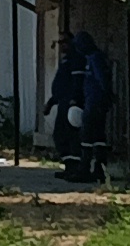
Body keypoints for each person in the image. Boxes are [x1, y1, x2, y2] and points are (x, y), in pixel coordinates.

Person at [48, 30, 112, 183]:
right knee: (93, 136)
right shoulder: (88, 58)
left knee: (87, 136)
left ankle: (86, 168)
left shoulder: (92, 58)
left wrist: (104, 97)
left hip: (93, 102)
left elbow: (101, 81)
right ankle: (92, 168)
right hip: (90, 101)